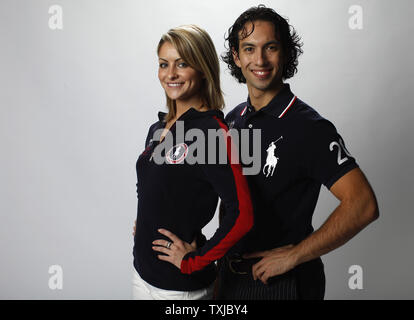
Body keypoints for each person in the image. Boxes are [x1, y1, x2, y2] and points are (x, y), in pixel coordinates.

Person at [215, 5, 379, 300]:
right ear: (237, 57)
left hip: (281, 283)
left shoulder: (308, 127)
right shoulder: (232, 119)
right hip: (227, 277)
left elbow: (363, 204)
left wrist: (295, 255)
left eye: (271, 47)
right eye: (249, 49)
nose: (260, 59)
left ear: (286, 53)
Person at [131, 24, 254, 300]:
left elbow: (242, 214)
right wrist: (146, 220)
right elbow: (152, 182)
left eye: (182, 63)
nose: (170, 74)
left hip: (179, 288)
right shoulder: (158, 127)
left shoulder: (212, 132)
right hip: (142, 273)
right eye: (164, 64)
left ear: (202, 68)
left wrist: (196, 259)